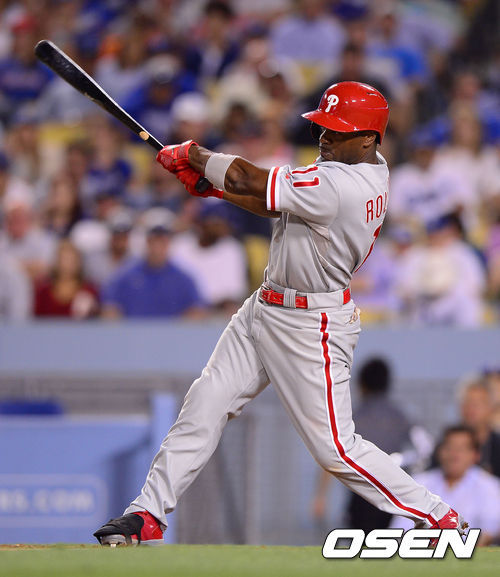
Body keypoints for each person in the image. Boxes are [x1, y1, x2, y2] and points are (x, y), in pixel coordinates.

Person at [94, 81, 466, 546]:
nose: (324, 136)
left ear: (368, 138)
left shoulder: (346, 185)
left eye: (337, 130)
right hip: (265, 306)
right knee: (206, 402)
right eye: (323, 127)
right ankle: (147, 512)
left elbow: (250, 179)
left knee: (336, 449)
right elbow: (277, 202)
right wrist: (216, 190)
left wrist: (195, 155)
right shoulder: (359, 165)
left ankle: (438, 516)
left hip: (311, 324)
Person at [311, 357, 432, 533]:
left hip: (362, 493)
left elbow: (332, 453)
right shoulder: (400, 416)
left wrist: (321, 496)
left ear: (362, 384)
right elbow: (425, 447)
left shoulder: (353, 416)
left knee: (361, 543)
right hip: (394, 492)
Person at [390, 426, 500, 546]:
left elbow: (489, 534)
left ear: (476, 455)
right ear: (439, 451)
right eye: (449, 448)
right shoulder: (419, 482)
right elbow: (400, 530)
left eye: (461, 449)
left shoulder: (490, 486)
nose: (454, 455)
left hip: (469, 553)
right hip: (422, 552)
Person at [100, 209, 204, 319]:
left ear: (169, 243)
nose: (157, 247)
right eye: (153, 241)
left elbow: (197, 310)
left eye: (162, 241)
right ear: (147, 242)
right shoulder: (124, 275)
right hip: (134, 329)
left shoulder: (184, 278)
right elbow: (110, 308)